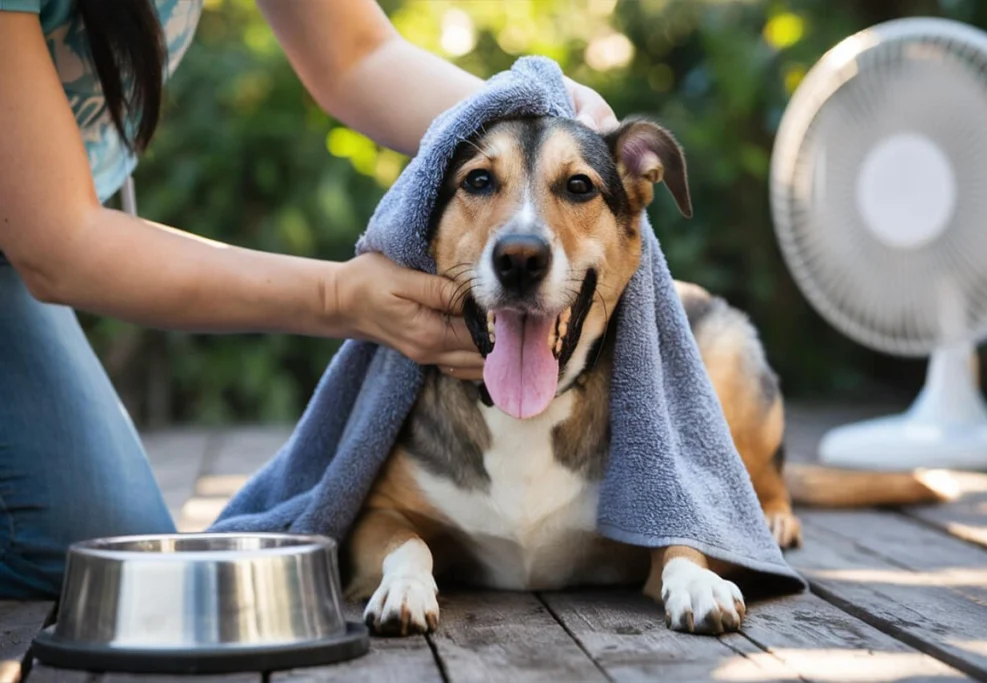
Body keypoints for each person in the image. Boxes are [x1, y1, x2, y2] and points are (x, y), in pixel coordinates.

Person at [0, 0, 617, 600]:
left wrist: (529, 110)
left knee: (109, 538)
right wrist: (339, 295)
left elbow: (356, 54)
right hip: (35, 239)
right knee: (81, 547)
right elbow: (60, 245)